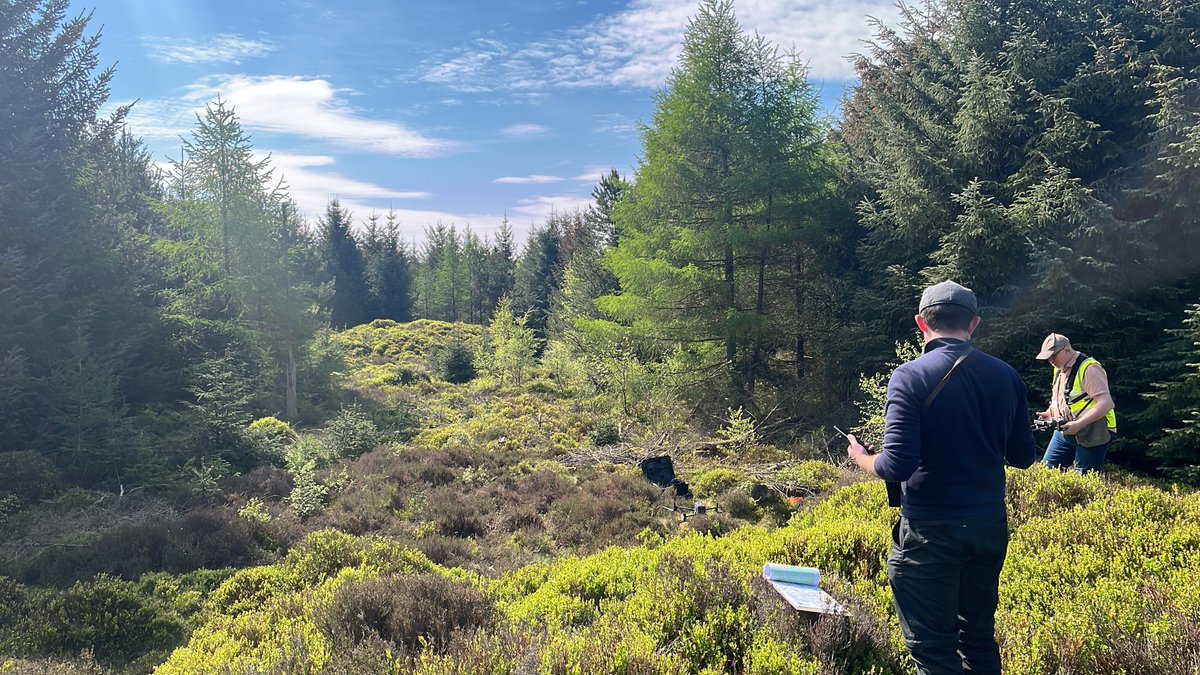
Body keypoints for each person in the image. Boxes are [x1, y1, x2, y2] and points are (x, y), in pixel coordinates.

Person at [846, 280, 1036, 675]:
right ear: (974, 324)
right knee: (978, 637)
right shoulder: (1007, 376)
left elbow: (895, 465)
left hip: (930, 532)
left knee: (934, 652)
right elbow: (1022, 458)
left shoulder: (909, 377)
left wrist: (863, 458)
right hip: (987, 527)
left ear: (921, 323)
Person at [1034, 333, 1116, 474]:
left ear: (1066, 349)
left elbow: (1106, 403)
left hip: (1094, 430)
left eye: (1053, 356)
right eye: (1048, 358)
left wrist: (1078, 424)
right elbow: (1061, 399)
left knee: (1084, 479)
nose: (1051, 360)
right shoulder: (1059, 368)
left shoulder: (1090, 368)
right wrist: (1050, 413)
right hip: (1066, 428)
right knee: (1047, 472)